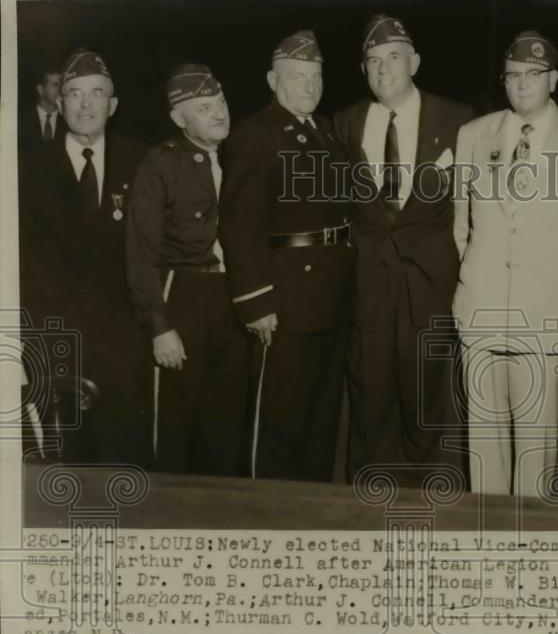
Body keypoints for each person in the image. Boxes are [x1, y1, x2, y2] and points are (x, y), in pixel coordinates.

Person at [453, 30, 558, 498]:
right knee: (482, 443)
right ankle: (486, 545)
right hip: (482, 306)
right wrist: (478, 276)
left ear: (554, 80)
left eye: (533, 74)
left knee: (535, 447)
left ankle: (528, 545)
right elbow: (460, 226)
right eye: (512, 76)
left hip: (547, 311)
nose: (521, 84)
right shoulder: (473, 135)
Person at [333, 14, 472, 485]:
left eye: (393, 57)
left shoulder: (458, 121)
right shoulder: (346, 123)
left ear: (414, 62)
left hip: (431, 289)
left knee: (427, 405)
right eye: (372, 61)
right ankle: (361, 512)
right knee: (369, 403)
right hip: (368, 290)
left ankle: (423, 508)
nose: (383, 69)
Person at [219, 30, 354, 482]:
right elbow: (239, 227)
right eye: (298, 77)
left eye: (316, 77)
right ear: (272, 79)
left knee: (319, 421)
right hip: (285, 298)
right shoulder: (255, 136)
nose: (310, 87)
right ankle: (264, 517)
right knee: (278, 420)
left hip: (330, 296)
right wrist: (256, 301)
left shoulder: (329, 132)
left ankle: (308, 511)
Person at [19, 48, 148, 465]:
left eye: (96, 94)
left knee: (122, 465)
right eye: (74, 94)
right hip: (55, 341)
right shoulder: (25, 168)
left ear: (113, 105)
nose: (86, 103)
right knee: (62, 471)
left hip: (124, 342)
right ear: (60, 102)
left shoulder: (143, 161)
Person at [126, 64, 251, 476]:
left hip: (233, 298)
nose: (219, 113)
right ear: (179, 119)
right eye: (204, 107)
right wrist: (158, 326)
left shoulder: (241, 156)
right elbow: (140, 253)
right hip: (182, 296)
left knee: (228, 421)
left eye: (221, 102)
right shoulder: (159, 164)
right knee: (176, 424)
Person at [19, 66, 64, 148]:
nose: (61, 90)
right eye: (56, 85)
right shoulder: (21, 119)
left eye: (62, 85)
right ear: (41, 90)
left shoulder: (67, 120)